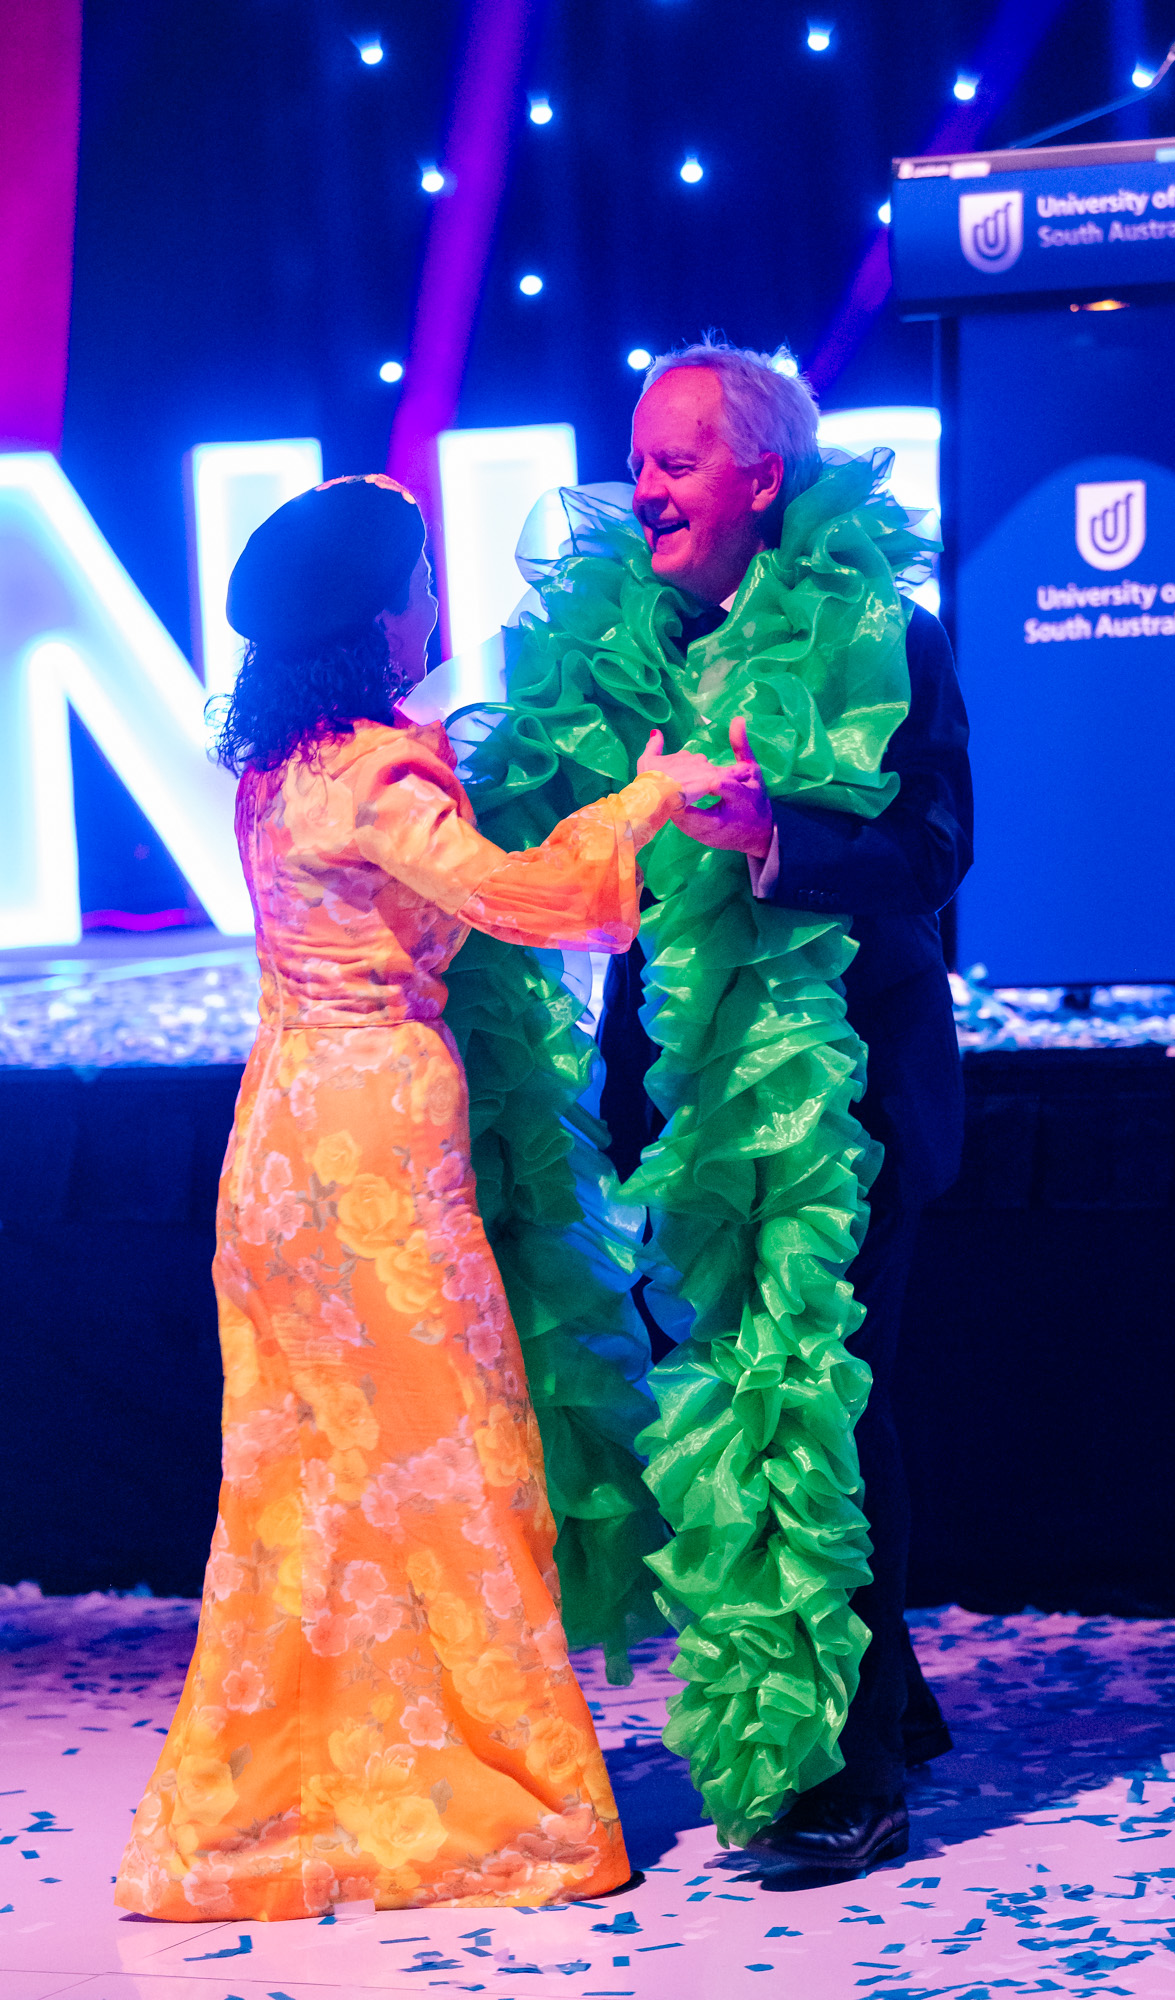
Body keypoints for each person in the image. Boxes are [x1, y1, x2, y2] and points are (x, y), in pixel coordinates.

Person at [113, 474, 735, 1921]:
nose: (436, 602)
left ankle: (309, 1786)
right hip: (375, 1144)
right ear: (378, 615)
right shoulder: (384, 776)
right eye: (421, 582)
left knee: (310, 1480)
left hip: (276, 1139)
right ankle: (505, 1799)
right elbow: (526, 901)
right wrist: (645, 799)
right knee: (460, 1460)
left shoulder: (281, 767)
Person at [598, 342, 973, 1873]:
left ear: (762, 478)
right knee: (735, 1399)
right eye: (636, 461)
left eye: (675, 461)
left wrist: (778, 838)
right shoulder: (630, 653)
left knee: (823, 1401)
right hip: (695, 1097)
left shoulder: (890, 639)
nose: (642, 489)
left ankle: (852, 1775)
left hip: (847, 1100)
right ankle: (891, 1689)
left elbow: (937, 853)